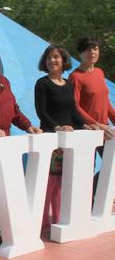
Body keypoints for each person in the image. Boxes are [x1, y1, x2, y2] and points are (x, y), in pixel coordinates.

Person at [34, 45, 94, 230]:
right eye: (49, 58)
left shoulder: (68, 84)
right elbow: (41, 112)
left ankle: (59, 220)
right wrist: (57, 127)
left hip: (69, 142)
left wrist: (85, 124)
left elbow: (73, 111)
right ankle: (43, 222)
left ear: (63, 60)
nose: (53, 61)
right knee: (50, 184)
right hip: (52, 141)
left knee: (62, 184)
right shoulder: (42, 84)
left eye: (56, 57)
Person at [68, 38, 115, 140]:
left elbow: (105, 101)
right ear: (80, 54)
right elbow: (74, 106)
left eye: (95, 49)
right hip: (87, 128)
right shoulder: (75, 77)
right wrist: (95, 124)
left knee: (110, 156)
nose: (92, 52)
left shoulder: (99, 72)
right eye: (88, 50)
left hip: (105, 128)